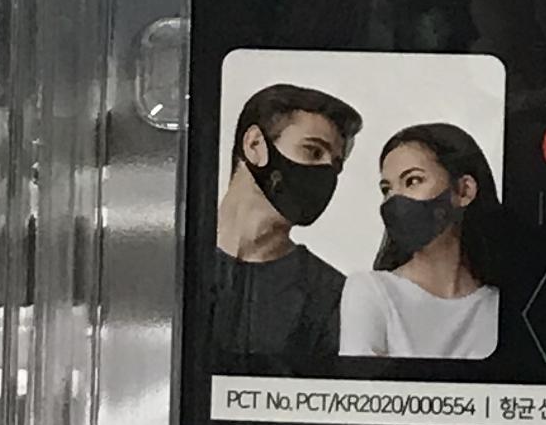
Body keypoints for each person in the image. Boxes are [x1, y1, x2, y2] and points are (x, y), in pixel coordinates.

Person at [208, 82, 362, 374]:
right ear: (255, 145)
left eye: (335, 165)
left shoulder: (333, 297)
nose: (327, 173)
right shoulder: (172, 263)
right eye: (313, 151)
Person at [338, 123, 503, 365]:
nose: (395, 199)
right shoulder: (372, 291)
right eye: (386, 189)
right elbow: (360, 385)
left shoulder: (501, 306)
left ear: (463, 190)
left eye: (412, 180)